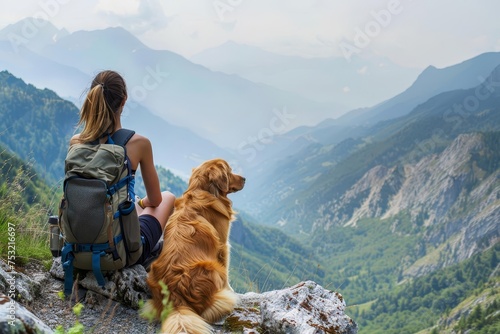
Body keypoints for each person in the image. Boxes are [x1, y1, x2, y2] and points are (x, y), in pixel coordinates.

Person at [69, 69, 175, 266]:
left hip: (77, 248)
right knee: (168, 197)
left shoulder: (76, 142)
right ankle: (155, 258)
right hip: (118, 254)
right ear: (124, 100)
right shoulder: (139, 143)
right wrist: (141, 204)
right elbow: (155, 200)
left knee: (130, 203)